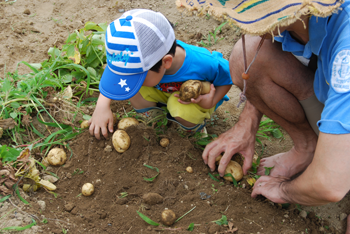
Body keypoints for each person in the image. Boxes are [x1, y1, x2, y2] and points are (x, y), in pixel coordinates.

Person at [179, 0, 350, 211]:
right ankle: (307, 147)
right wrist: (246, 125)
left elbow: (329, 186)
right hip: (332, 96)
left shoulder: (346, 52)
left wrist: (282, 190)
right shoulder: (298, 20)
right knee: (249, 55)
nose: (242, 25)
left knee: (335, 178)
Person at [88, 9, 233, 139]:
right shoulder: (145, 61)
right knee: (131, 89)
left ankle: (189, 131)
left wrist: (212, 101)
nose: (128, 79)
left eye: (138, 76)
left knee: (180, 109)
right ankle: (155, 118)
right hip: (160, 90)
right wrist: (102, 106)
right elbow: (117, 74)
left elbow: (228, 76)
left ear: (166, 62)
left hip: (189, 101)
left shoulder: (204, 63)